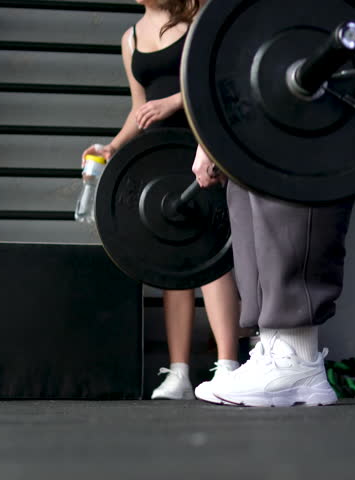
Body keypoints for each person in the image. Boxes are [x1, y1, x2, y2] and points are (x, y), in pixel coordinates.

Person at [190, 0, 355, 407]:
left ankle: (296, 362)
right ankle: (275, 352)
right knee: (248, 182)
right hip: (274, 55)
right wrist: (211, 137)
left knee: (292, 183)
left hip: (350, 31)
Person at [82, 0, 240, 401]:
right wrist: (111, 147)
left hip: (203, 149)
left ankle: (227, 367)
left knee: (211, 258)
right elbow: (140, 109)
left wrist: (172, 103)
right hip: (158, 160)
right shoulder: (131, 38)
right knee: (175, 262)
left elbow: (220, 79)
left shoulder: (201, 17)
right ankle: (180, 374)